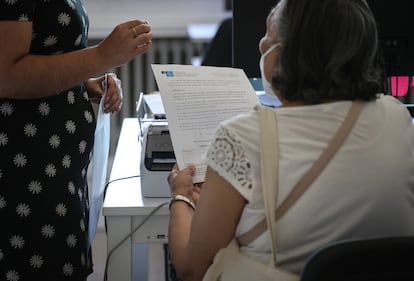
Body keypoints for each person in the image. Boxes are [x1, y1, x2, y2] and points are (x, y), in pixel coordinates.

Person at [167, 0, 414, 280]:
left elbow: (193, 269)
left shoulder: (241, 138)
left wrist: (181, 197)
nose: (261, 45)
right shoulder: (397, 117)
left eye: (269, 38)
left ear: (292, 56)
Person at [0, 1, 152, 280]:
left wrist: (81, 82)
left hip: (57, 172)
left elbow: (44, 51)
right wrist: (101, 56)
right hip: (24, 176)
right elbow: (6, 76)